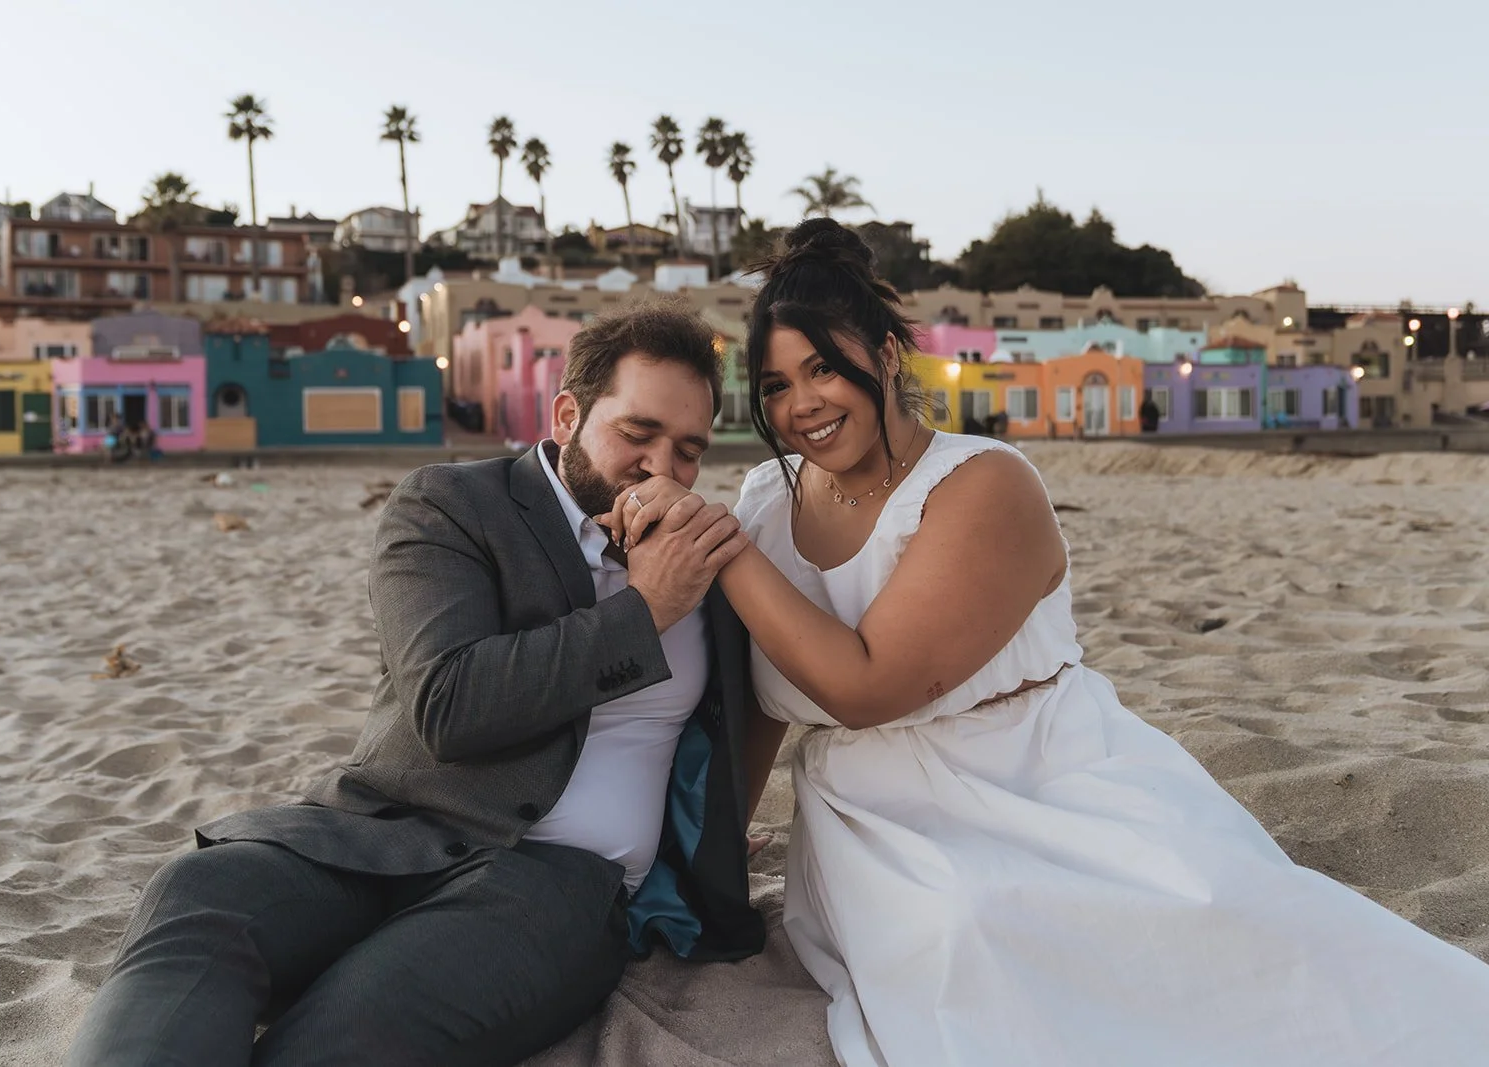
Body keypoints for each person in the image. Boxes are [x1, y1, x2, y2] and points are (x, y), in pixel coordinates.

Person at [605, 219, 1489, 1067]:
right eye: (774, 388)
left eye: (824, 370)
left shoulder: (983, 483)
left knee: (1233, 943)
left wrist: (721, 551)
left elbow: (865, 686)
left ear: (883, 354)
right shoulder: (767, 496)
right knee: (963, 931)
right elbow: (764, 699)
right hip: (867, 826)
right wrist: (713, 859)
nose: (801, 407)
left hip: (1038, 777)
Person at [66, 304, 774, 1066]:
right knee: (199, 899)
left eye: (689, 450)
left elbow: (787, 700)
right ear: (567, 415)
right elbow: (450, 704)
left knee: (355, 1025)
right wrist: (644, 611)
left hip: (552, 880)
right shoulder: (453, 506)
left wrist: (720, 833)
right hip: (380, 832)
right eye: (637, 434)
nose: (661, 467)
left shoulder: (709, 561)